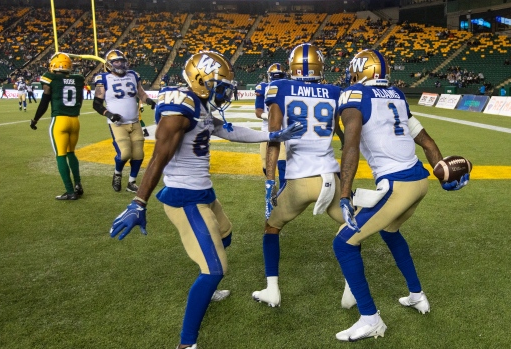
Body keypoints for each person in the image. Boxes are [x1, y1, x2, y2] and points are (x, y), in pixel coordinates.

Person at [108, 50, 302, 349]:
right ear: (200, 80)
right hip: (185, 198)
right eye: (219, 83)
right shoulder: (180, 107)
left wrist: (272, 135)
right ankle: (186, 344)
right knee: (215, 270)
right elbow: (159, 155)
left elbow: (229, 130)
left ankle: (207, 289)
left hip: (203, 192)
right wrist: (139, 202)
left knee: (225, 235)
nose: (225, 90)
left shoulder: (197, 105)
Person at [333, 49, 469, 342]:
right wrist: (442, 172)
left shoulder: (353, 96)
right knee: (391, 232)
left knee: (343, 243)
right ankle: (416, 294)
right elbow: (428, 142)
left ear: (360, 71)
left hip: (397, 185)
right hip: (420, 180)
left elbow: (351, 147)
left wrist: (345, 194)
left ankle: (370, 319)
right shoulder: (395, 95)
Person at [252, 43, 344, 308]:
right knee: (351, 226)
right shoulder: (335, 92)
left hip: (300, 179)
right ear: (321, 66)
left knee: (272, 226)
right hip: (330, 175)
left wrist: (270, 180)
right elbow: (343, 133)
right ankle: (351, 288)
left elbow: (273, 139)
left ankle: (272, 289)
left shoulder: (280, 88)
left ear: (292, 65)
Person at [93, 50, 156, 194]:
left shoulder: (133, 75)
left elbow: (141, 93)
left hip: (135, 122)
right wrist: (109, 114)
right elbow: (97, 103)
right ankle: (117, 173)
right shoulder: (103, 79)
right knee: (125, 153)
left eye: (121, 61)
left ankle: (131, 182)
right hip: (117, 124)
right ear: (109, 64)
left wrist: (149, 100)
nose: (120, 64)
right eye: (116, 61)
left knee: (139, 154)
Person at [29, 52, 86, 200]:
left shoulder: (50, 77)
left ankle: (70, 191)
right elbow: (80, 99)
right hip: (75, 121)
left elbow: (44, 101)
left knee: (61, 155)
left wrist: (35, 120)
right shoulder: (78, 79)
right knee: (71, 153)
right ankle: (78, 184)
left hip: (60, 121)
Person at [255, 63, 288, 189]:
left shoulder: (288, 88)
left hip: (283, 131)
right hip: (266, 132)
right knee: (266, 166)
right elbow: (258, 111)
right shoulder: (262, 88)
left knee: (282, 164)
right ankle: (273, 187)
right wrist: (268, 116)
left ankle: (283, 191)